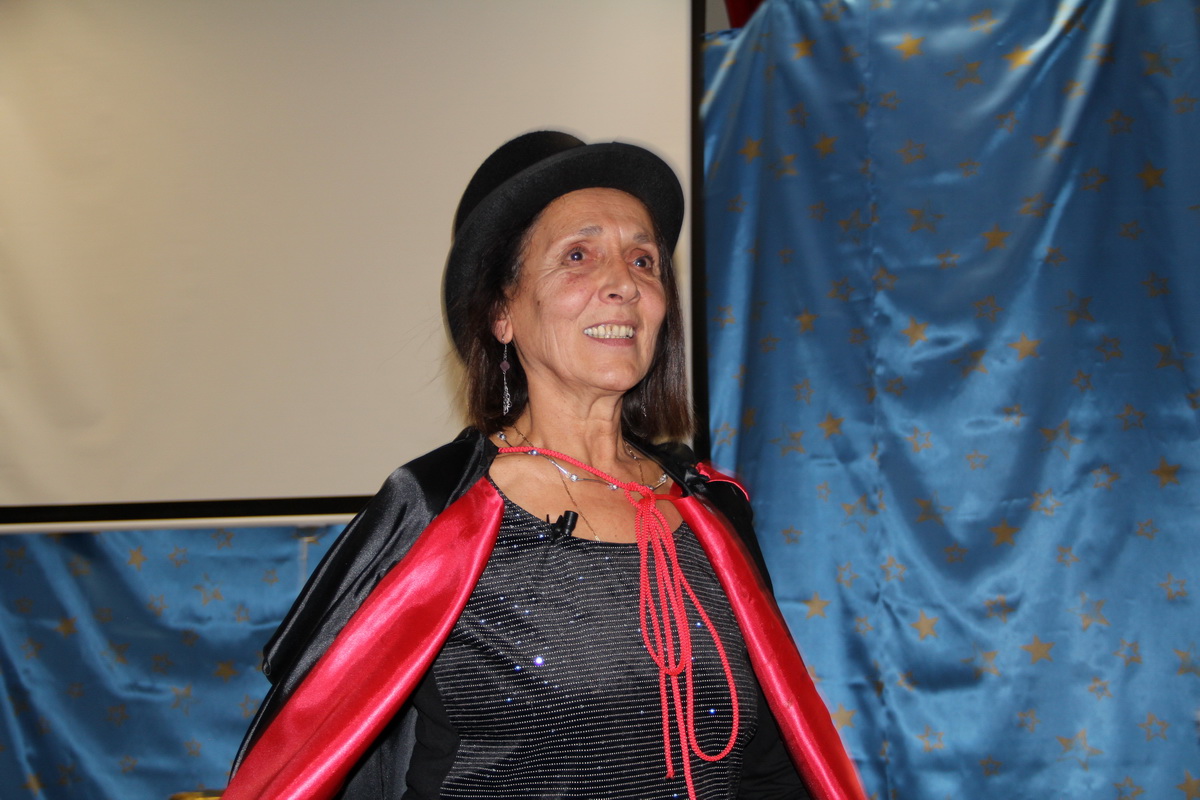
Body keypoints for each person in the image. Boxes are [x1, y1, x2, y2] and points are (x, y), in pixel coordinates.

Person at [223, 131, 865, 800]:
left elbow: (771, 768)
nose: (623, 284)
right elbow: (306, 759)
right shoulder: (439, 514)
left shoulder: (710, 511)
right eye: (578, 256)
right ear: (502, 313)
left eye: (643, 260)